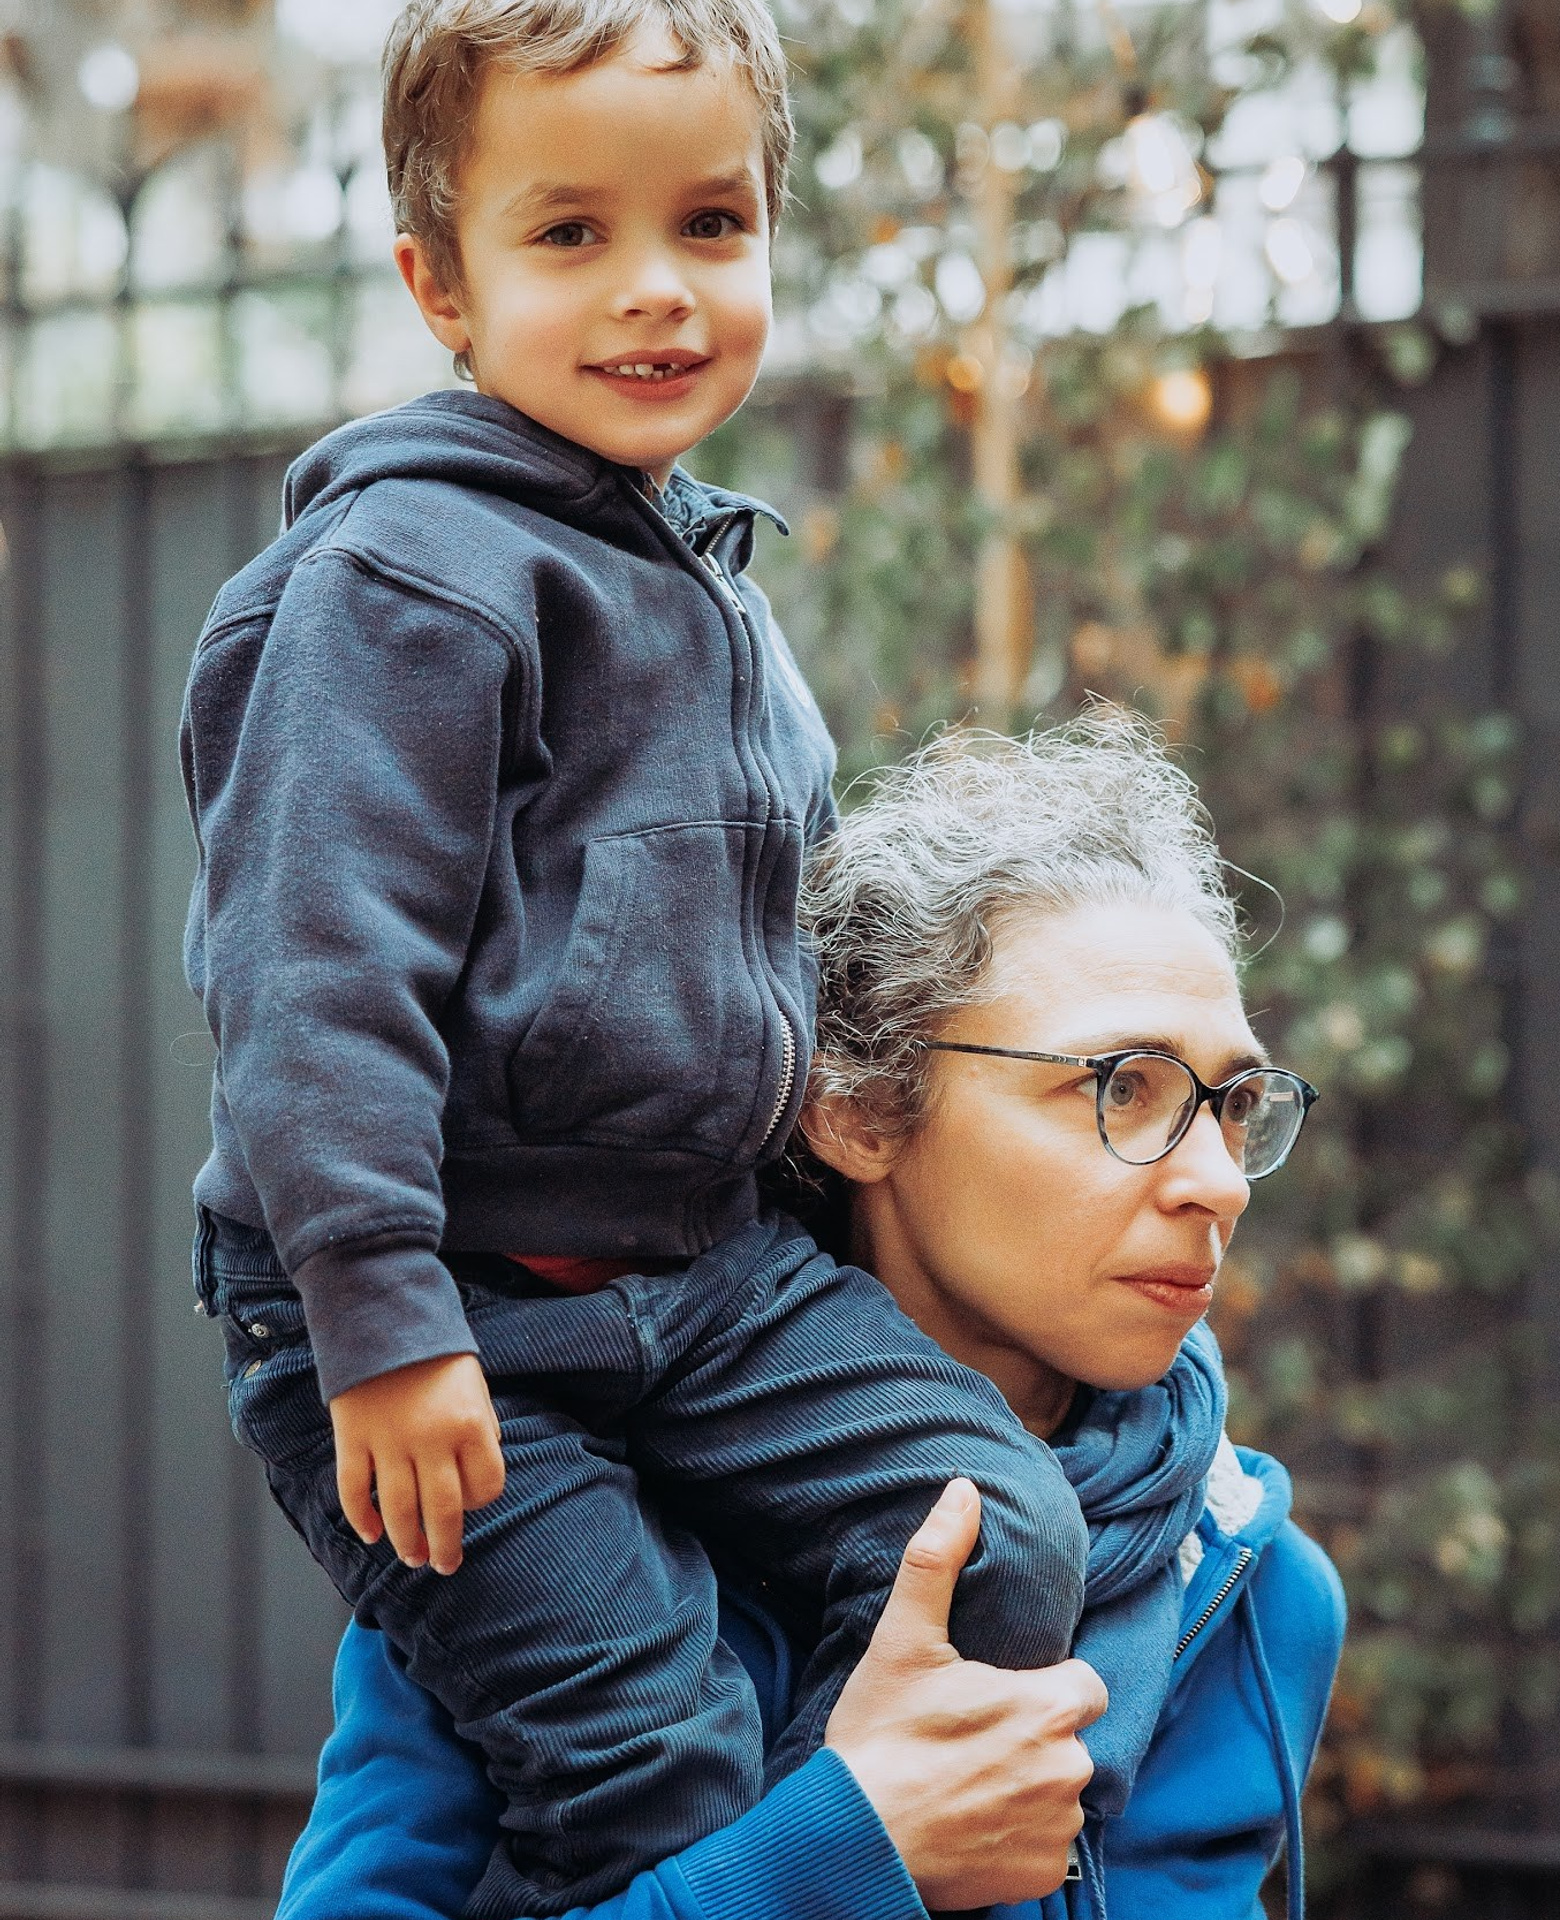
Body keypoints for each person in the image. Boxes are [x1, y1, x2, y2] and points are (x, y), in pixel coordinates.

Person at [180, 5, 1086, 1915]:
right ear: (439, 280)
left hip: (703, 1273)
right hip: (461, 1311)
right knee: (642, 1756)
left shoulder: (713, 594)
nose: (656, 292)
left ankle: (821, 1837)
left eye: (713, 225)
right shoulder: (405, 582)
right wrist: (381, 1314)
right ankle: (711, 1861)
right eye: (570, 234)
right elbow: (312, 981)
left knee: (999, 1530)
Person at [276, 717, 1348, 1920]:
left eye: (1235, 1101)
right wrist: (838, 1852)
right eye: (1119, 1087)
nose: (1214, 1177)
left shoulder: (1261, 1587)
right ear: (860, 1114)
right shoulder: (554, 1548)